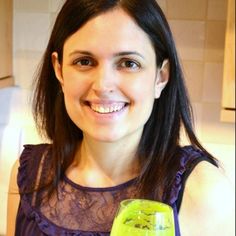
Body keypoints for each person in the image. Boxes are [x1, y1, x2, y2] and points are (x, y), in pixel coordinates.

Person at [7, 0, 233, 235]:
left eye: (129, 63)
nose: (103, 85)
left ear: (160, 77)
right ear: (59, 70)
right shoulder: (27, 177)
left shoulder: (204, 192)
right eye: (84, 61)